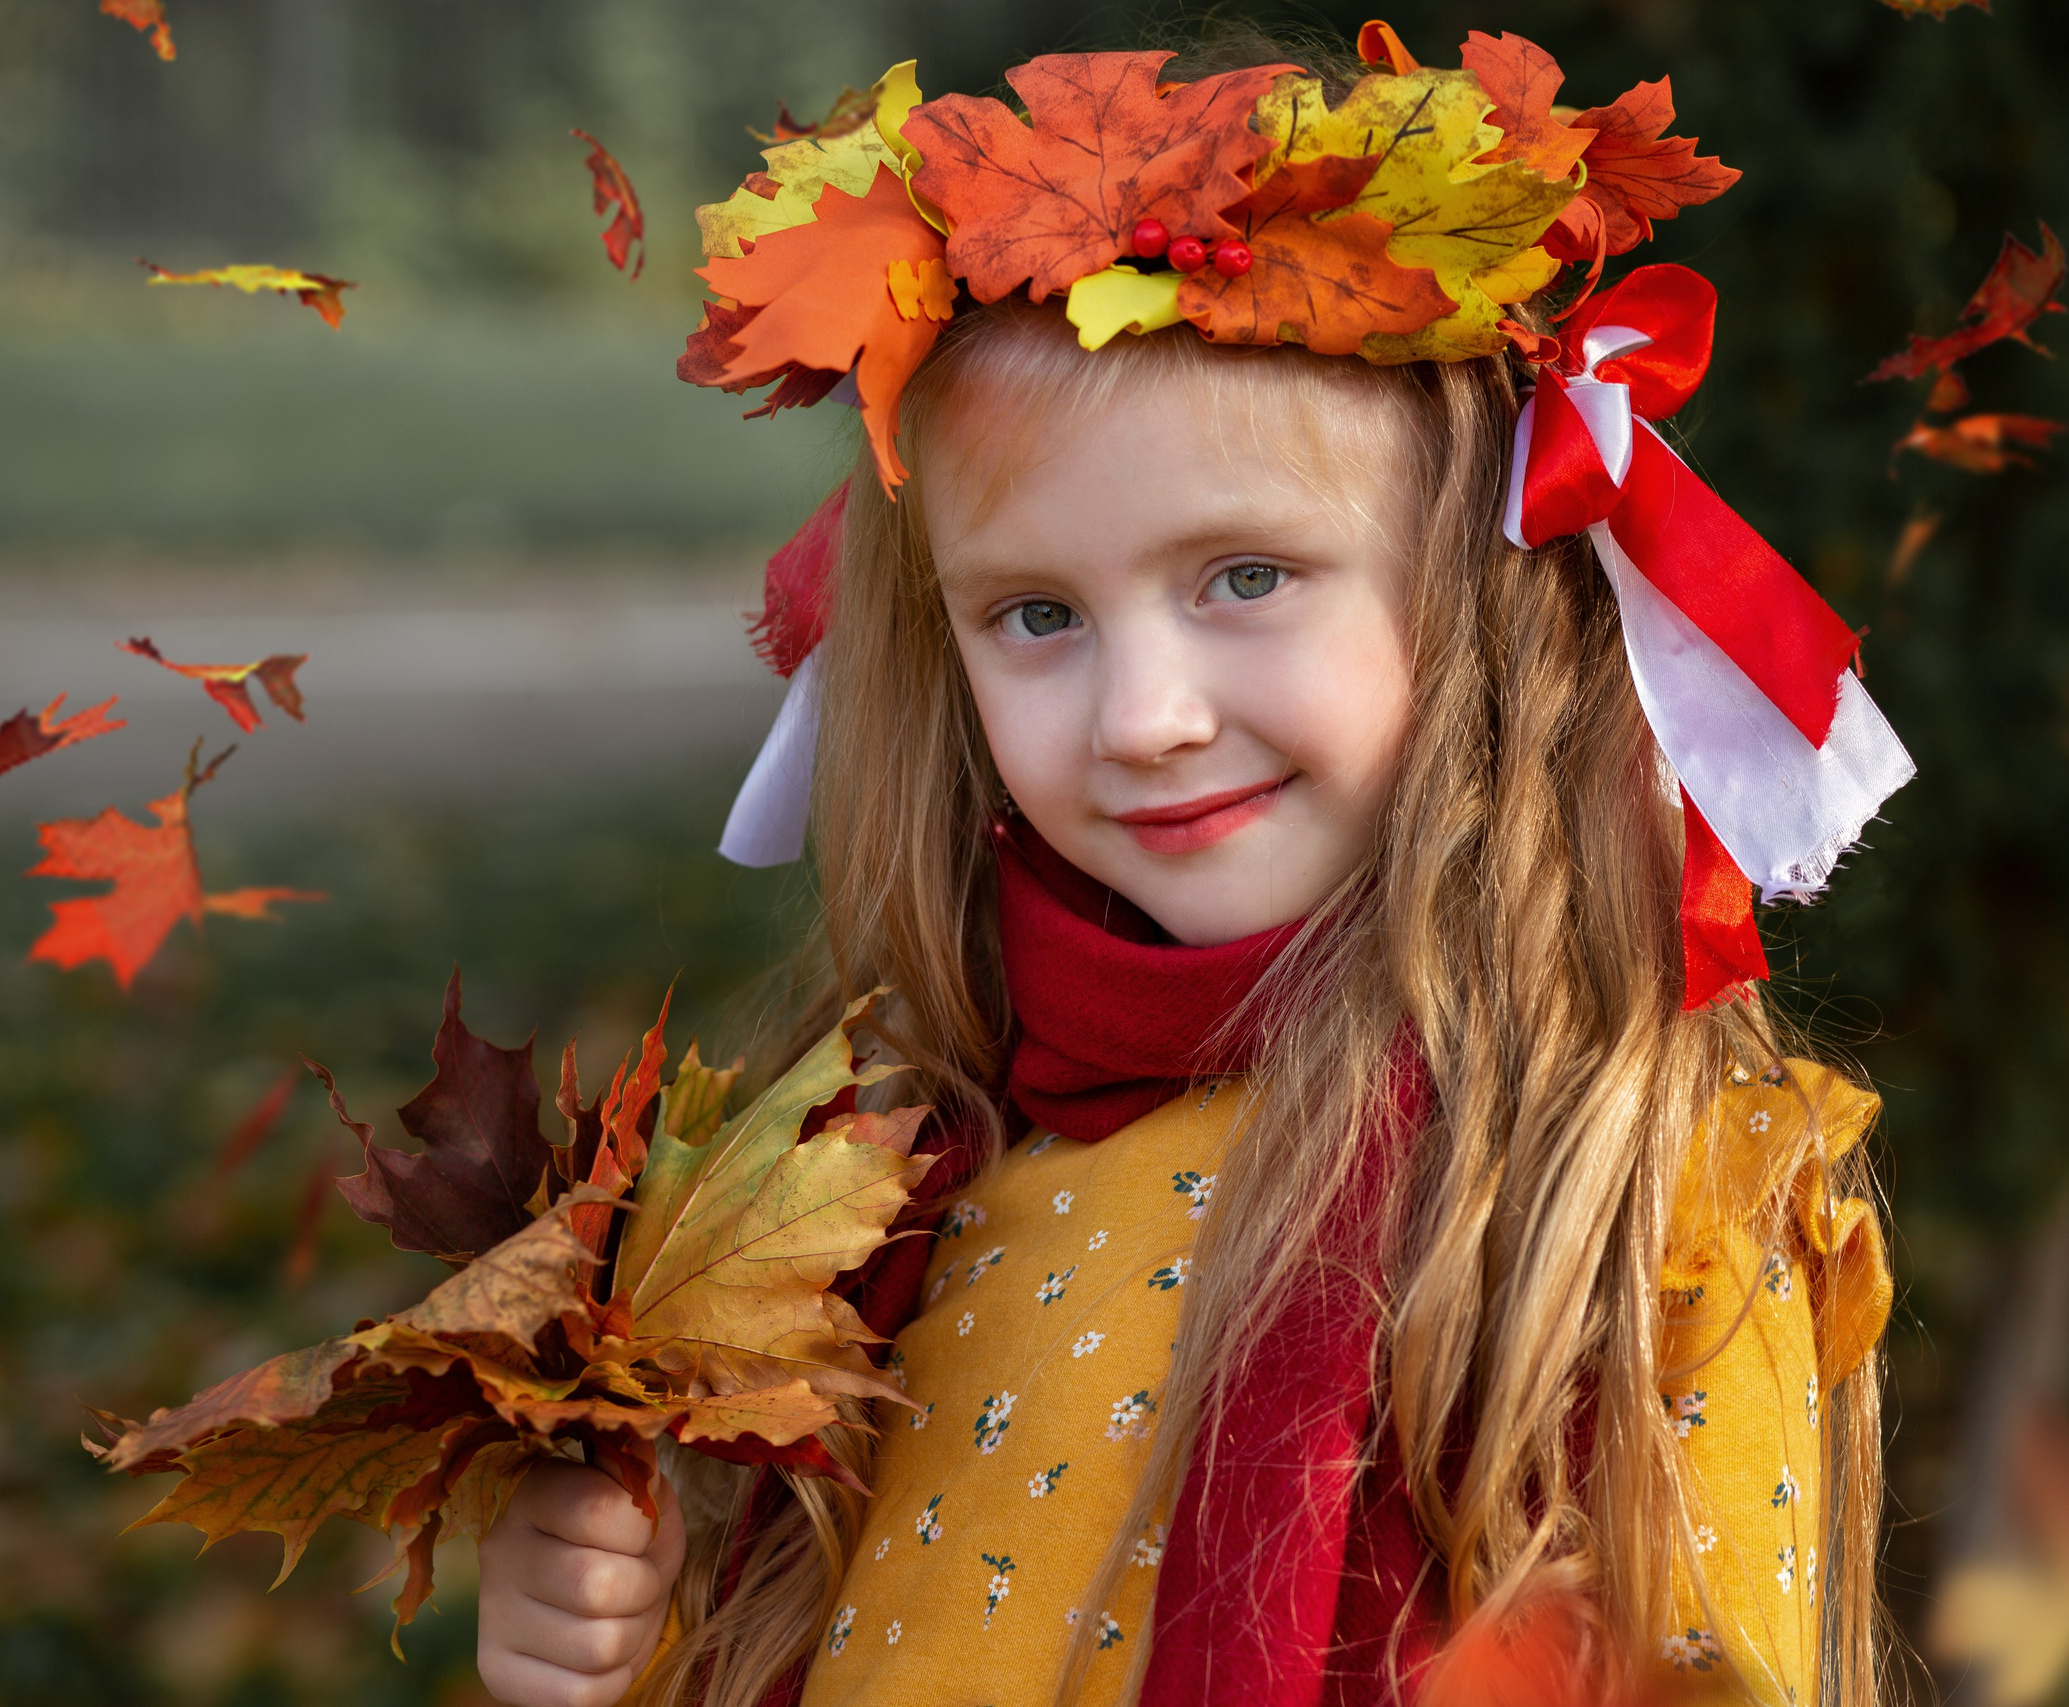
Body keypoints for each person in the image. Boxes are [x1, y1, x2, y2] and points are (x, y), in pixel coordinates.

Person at [476, 21, 1911, 1707]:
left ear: (1474, 596)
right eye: (1036, 615)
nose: (1144, 718)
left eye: (1245, 578)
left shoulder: (1640, 1198)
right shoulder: (899, 1184)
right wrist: (616, 1657)